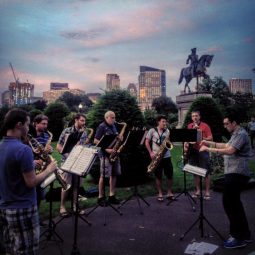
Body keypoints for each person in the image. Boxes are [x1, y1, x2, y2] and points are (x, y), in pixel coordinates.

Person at [0, 108, 57, 254]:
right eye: (27, 124)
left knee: (10, 249)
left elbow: (10, 170)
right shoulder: (23, 149)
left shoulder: (2, 145)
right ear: (19, 125)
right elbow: (31, 182)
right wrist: (49, 170)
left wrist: (31, 164)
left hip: (5, 207)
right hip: (23, 208)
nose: (28, 127)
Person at [200, 110, 252, 249]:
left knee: (230, 204)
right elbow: (226, 145)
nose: (225, 126)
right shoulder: (236, 133)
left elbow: (230, 151)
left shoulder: (241, 134)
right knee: (234, 204)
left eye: (227, 123)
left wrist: (208, 149)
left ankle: (238, 237)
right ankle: (244, 235)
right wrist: (209, 143)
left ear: (234, 123)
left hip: (237, 173)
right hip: (233, 173)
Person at [56, 113, 88, 217]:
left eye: (84, 121)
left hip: (78, 162)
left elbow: (84, 146)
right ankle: (62, 207)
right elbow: (58, 146)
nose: (84, 123)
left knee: (76, 185)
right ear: (76, 120)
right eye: (82, 120)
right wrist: (67, 154)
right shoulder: (67, 131)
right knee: (66, 185)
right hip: (67, 161)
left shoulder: (84, 133)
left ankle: (75, 206)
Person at [94, 111, 122, 206]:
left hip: (114, 154)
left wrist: (119, 139)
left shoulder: (113, 126)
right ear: (107, 118)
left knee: (114, 174)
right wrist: (106, 149)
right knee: (103, 176)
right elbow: (96, 140)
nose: (114, 120)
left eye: (114, 117)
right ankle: (101, 197)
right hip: (105, 155)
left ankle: (111, 196)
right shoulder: (102, 126)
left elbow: (114, 138)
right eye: (112, 118)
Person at [184, 110, 213, 200]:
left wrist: (200, 135)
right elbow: (187, 138)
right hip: (193, 151)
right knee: (195, 172)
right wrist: (186, 144)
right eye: (193, 116)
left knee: (206, 172)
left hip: (203, 151)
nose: (195, 117)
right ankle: (198, 191)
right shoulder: (189, 126)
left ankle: (207, 192)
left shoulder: (205, 126)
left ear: (199, 117)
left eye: (196, 116)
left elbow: (211, 139)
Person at [145, 115, 174, 201]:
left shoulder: (167, 131)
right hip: (156, 156)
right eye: (163, 121)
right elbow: (147, 142)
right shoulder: (152, 130)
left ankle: (169, 192)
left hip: (167, 156)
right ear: (158, 122)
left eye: (165, 122)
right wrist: (150, 152)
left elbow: (169, 143)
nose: (165, 123)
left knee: (170, 175)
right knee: (158, 176)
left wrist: (168, 144)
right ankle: (160, 193)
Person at [30, 114, 53, 226]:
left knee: (39, 194)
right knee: (31, 194)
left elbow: (48, 151)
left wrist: (49, 150)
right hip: (31, 167)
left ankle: (36, 217)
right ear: (36, 123)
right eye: (43, 123)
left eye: (46, 124)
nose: (45, 126)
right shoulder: (29, 137)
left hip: (42, 167)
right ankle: (30, 218)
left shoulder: (45, 136)